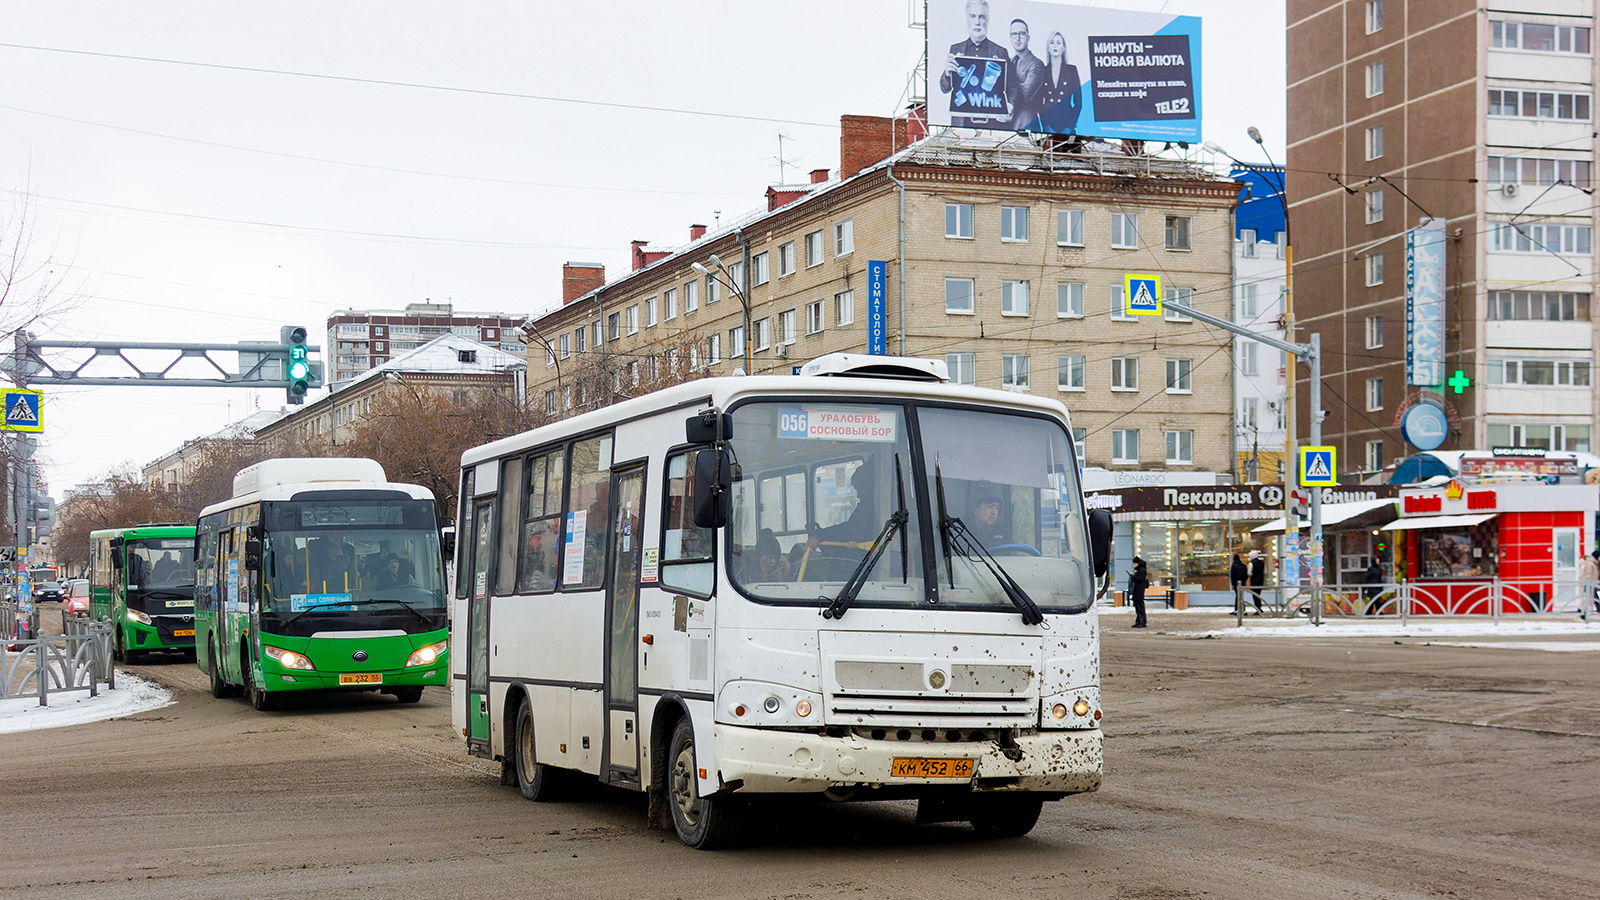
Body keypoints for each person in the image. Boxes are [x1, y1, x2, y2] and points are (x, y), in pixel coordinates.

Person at [938, 0, 1010, 128]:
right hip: (962, 125)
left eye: (982, 17)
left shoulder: (1000, 51)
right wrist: (947, 73)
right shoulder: (955, 49)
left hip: (992, 125)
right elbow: (945, 88)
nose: (977, 22)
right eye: (973, 16)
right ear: (966, 19)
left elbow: (1011, 87)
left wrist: (1011, 105)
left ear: (988, 19)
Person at [1038, 31, 1082, 134]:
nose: (1055, 46)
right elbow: (1039, 102)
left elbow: (1078, 102)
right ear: (1048, 48)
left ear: (1063, 48)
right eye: (1052, 42)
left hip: (1067, 124)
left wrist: (1069, 127)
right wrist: (1046, 126)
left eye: (1058, 43)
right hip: (1049, 125)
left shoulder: (1071, 70)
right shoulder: (1043, 71)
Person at [1005, 19, 1045, 131]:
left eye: (1022, 34)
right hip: (1007, 125)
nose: (1017, 38)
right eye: (1014, 34)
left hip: (1026, 124)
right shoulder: (1008, 62)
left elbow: (1026, 94)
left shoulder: (1037, 64)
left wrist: (1008, 86)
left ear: (1028, 37)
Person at [1128, 557, 1149, 628]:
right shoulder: (1140, 570)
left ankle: (1141, 621)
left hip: (1139, 591)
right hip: (1138, 591)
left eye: (1135, 563)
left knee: (1139, 607)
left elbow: (1141, 579)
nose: (1134, 565)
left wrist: (1133, 576)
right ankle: (1139, 621)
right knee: (1138, 607)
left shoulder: (1142, 570)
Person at [1579, 548, 1599, 614]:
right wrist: (1591, 582)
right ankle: (1583, 610)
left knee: (1590, 596)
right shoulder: (1590, 564)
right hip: (1589, 583)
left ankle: (1582, 609)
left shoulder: (1593, 563)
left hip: (1591, 583)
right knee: (1590, 596)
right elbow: (1588, 574)